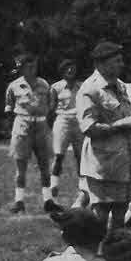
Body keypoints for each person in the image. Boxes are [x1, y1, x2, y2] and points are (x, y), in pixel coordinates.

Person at [76, 41, 131, 229]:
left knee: (120, 216)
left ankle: (115, 252)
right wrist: (120, 125)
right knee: (100, 216)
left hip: (124, 162)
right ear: (101, 64)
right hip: (103, 165)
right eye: (117, 61)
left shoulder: (120, 86)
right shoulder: (90, 89)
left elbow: (124, 114)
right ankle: (96, 253)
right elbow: (88, 128)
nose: (122, 64)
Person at [5, 53, 62, 214]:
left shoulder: (44, 84)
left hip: (41, 127)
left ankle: (48, 200)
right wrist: (17, 126)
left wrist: (45, 122)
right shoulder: (14, 86)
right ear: (22, 69)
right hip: (22, 127)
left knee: (45, 166)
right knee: (21, 167)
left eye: (34, 66)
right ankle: (19, 201)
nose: (32, 69)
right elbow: (9, 109)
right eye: (29, 67)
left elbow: (52, 105)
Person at [48, 59, 88, 206]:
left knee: (81, 156)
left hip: (79, 122)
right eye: (68, 69)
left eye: (73, 68)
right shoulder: (56, 87)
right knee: (58, 155)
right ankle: (54, 185)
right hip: (62, 120)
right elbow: (51, 109)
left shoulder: (82, 86)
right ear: (63, 71)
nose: (71, 71)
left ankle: (83, 189)